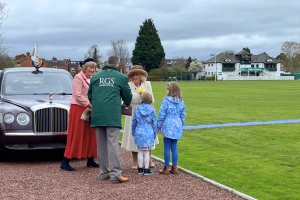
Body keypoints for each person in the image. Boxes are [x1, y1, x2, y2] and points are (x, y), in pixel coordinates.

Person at [88, 56, 132, 183]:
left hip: (97, 114)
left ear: (107, 64)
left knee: (101, 145)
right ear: (117, 65)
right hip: (112, 114)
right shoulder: (121, 77)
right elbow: (127, 96)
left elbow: (90, 95)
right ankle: (116, 174)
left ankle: (104, 172)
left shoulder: (95, 77)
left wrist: (97, 105)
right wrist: (125, 103)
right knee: (113, 144)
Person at [60, 58, 99, 171]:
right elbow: (77, 95)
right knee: (77, 134)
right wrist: (89, 104)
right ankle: (65, 160)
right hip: (78, 108)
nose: (92, 69)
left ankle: (90, 159)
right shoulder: (78, 77)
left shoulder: (93, 79)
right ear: (85, 67)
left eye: (93, 68)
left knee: (91, 133)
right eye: (90, 67)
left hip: (90, 108)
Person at [121, 65, 158, 169]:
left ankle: (149, 159)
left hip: (146, 114)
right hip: (133, 113)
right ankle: (135, 160)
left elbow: (152, 99)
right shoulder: (128, 85)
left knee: (148, 136)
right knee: (133, 136)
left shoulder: (147, 84)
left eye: (137, 75)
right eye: (133, 75)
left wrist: (143, 96)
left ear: (141, 76)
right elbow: (125, 101)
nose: (135, 77)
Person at [157, 82, 186, 175]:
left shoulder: (166, 100)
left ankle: (166, 168)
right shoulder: (181, 101)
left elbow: (162, 114)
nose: (166, 90)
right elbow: (183, 115)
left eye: (167, 89)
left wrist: (159, 126)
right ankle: (174, 167)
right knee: (174, 147)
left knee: (167, 147)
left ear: (171, 90)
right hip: (177, 124)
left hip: (168, 124)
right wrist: (181, 125)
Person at [132, 91, 157, 175]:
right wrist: (154, 134)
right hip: (149, 131)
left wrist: (133, 131)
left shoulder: (137, 109)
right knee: (146, 152)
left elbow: (134, 122)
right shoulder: (152, 110)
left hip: (139, 131)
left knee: (140, 151)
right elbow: (154, 123)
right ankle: (146, 169)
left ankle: (140, 168)